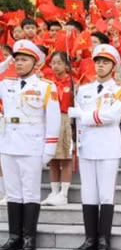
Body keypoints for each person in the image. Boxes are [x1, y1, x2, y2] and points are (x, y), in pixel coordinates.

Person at [0, 40, 61, 250]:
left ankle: (28, 237)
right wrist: (5, 61)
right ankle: (14, 237)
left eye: (23, 60)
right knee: (14, 193)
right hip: (8, 144)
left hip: (33, 144)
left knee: (31, 193)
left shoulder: (45, 87)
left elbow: (53, 120)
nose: (18, 63)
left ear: (35, 63)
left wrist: (49, 149)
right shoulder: (6, 83)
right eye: (16, 59)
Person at [68, 44, 121, 250]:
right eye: (98, 62)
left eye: (105, 62)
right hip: (87, 146)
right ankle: (90, 239)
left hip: (108, 147)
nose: (101, 65)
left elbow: (111, 117)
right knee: (88, 194)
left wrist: (82, 115)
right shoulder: (83, 90)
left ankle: (104, 239)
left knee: (105, 195)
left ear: (113, 66)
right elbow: (81, 121)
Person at [41, 52, 74, 206]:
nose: (55, 66)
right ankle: (54, 191)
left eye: (59, 63)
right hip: (50, 120)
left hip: (66, 120)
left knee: (66, 157)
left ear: (66, 65)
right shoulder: (47, 83)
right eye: (53, 63)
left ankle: (64, 193)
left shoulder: (72, 82)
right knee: (52, 158)